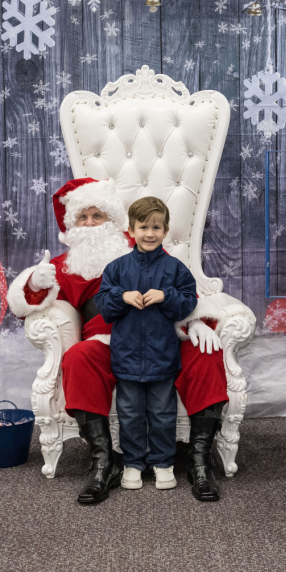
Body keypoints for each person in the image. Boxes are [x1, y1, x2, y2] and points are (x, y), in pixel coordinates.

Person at [7, 178, 231, 504]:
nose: (90, 223)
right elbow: (24, 306)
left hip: (161, 336)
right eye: (82, 217)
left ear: (114, 220)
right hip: (106, 341)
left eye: (97, 215)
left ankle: (200, 460)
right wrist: (34, 283)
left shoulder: (144, 244)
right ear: (72, 225)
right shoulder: (63, 267)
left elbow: (182, 289)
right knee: (78, 358)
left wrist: (196, 322)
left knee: (206, 353)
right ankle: (104, 461)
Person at [95, 197, 197, 494]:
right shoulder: (116, 269)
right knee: (130, 413)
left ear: (165, 231)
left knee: (163, 413)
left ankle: (163, 462)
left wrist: (167, 296)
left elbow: (188, 302)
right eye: (143, 227)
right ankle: (133, 463)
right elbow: (104, 306)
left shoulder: (175, 269)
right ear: (131, 230)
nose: (150, 233)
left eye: (156, 227)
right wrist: (121, 296)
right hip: (126, 357)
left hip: (163, 357)